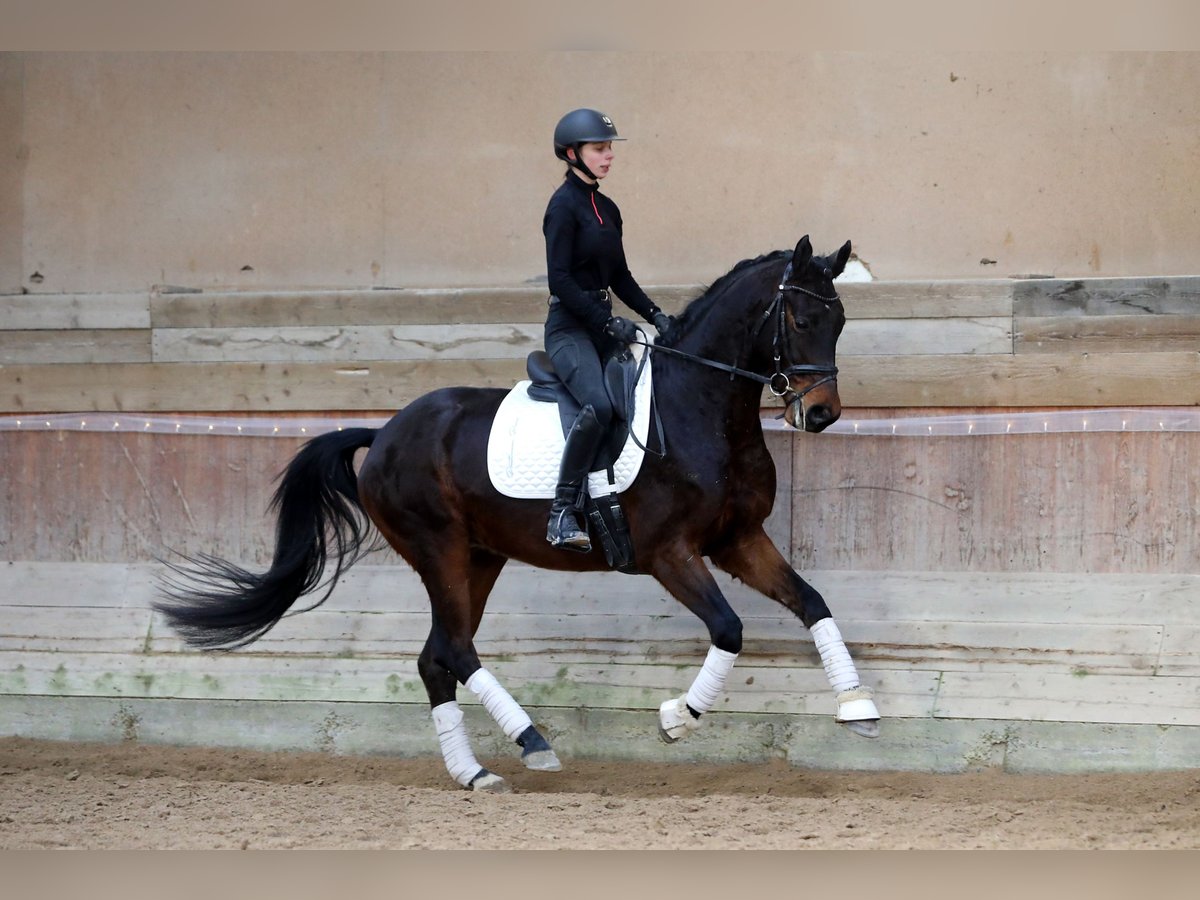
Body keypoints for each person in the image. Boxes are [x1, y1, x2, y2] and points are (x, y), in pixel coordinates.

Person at [542, 107, 674, 552]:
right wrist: (604, 319)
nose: (609, 156)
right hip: (569, 329)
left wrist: (656, 314)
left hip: (604, 327)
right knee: (598, 404)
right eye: (600, 149)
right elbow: (558, 278)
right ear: (571, 153)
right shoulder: (562, 208)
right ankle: (563, 511)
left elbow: (619, 277)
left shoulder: (608, 208)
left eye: (610, 149)